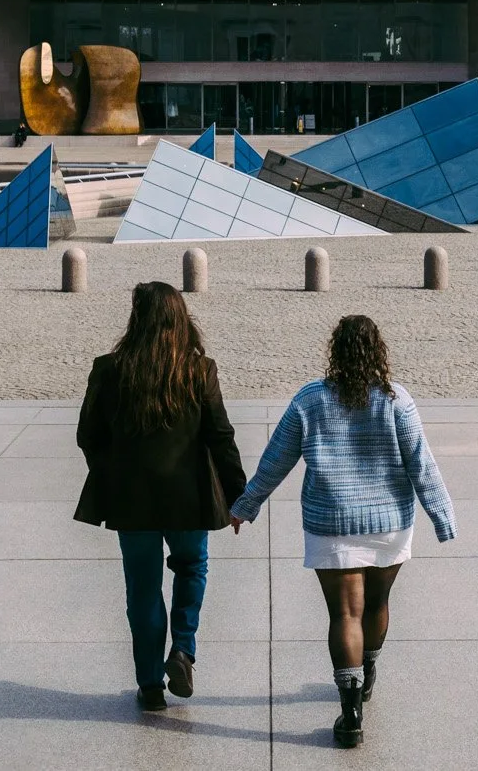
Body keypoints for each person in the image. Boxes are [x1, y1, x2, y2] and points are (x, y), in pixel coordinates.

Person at [230, 315, 456, 749]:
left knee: (345, 615)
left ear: (336, 351)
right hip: (389, 522)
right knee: (377, 603)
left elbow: (277, 459)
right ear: (379, 353)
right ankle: (367, 668)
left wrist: (246, 505)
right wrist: (442, 517)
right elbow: (421, 465)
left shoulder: (310, 399)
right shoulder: (397, 400)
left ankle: (350, 712)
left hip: (331, 522)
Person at [75, 282, 245, 712]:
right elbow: (220, 437)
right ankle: (183, 651)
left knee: (143, 590)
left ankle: (150, 684)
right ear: (180, 319)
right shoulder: (198, 369)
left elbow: (87, 437)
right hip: (189, 499)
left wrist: (111, 474)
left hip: (132, 501)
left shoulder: (110, 369)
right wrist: (241, 495)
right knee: (192, 568)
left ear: (137, 319)